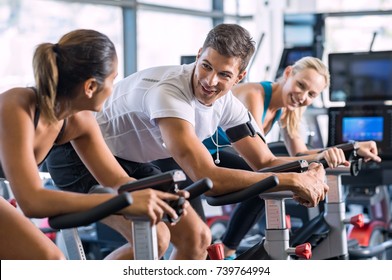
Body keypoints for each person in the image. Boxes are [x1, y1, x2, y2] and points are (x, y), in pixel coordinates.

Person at [46, 23, 333, 260]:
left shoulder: (228, 104)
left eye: (223, 74)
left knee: (197, 239)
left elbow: (265, 161)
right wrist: (294, 180)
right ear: (198, 56)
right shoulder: (169, 93)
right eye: (206, 66)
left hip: (126, 160)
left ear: (239, 76)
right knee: (155, 238)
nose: (210, 81)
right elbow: (207, 176)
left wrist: (309, 166)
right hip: (77, 155)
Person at [0, 29, 188, 260]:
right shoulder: (16, 106)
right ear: (90, 87)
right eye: (112, 80)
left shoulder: (79, 121)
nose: (113, 88)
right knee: (49, 260)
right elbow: (31, 201)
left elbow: (118, 181)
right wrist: (121, 203)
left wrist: (160, 195)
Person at [202, 56, 381, 259]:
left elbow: (300, 153)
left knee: (273, 177)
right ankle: (228, 250)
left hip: (227, 157)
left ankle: (229, 249)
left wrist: (352, 148)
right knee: (267, 180)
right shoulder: (255, 95)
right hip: (203, 157)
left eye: (311, 94)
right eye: (301, 85)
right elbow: (263, 161)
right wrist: (316, 162)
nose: (303, 96)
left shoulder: (286, 109)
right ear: (288, 73)